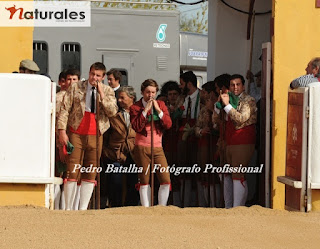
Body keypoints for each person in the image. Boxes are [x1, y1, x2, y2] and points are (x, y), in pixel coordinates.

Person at [57, 62, 118, 210]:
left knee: (90, 170)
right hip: (76, 132)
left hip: (96, 133)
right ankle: (69, 207)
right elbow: (65, 110)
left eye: (98, 76)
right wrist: (62, 131)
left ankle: (83, 207)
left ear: (103, 77)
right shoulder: (76, 87)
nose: (94, 78)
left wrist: (101, 94)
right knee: (72, 169)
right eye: (92, 74)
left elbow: (112, 112)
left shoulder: (108, 91)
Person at [130, 79, 172, 207]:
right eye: (148, 92)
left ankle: (162, 207)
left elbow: (168, 124)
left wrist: (158, 110)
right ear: (143, 92)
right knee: (144, 179)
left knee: (165, 179)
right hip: (142, 146)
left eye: (153, 92)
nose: (150, 95)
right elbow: (136, 126)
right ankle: (146, 207)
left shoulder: (161, 104)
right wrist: (145, 111)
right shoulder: (135, 107)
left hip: (158, 146)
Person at [217, 74, 257, 208]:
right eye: (232, 85)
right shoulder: (227, 98)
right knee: (227, 174)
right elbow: (215, 121)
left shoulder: (248, 100)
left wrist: (227, 106)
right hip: (228, 141)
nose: (235, 87)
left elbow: (241, 118)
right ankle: (229, 207)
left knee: (237, 174)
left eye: (238, 84)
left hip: (243, 141)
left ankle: (237, 209)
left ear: (243, 86)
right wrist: (218, 107)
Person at [102, 86, 139, 207]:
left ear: (131, 98)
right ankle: (114, 206)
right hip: (115, 153)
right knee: (115, 181)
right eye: (119, 98)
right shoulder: (114, 114)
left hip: (133, 153)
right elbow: (106, 134)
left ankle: (131, 207)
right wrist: (107, 151)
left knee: (133, 182)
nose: (119, 100)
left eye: (123, 98)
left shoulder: (138, 113)